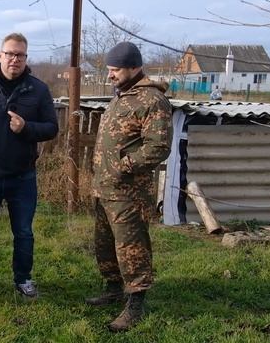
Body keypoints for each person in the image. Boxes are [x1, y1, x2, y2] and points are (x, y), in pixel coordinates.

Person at [0, 32, 59, 299]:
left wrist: (26, 127)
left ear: (26, 58)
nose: (15, 59)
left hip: (22, 177)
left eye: (21, 55)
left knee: (24, 232)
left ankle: (23, 278)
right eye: (10, 53)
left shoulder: (38, 89)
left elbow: (52, 128)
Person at [87, 41, 172, 331]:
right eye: (109, 69)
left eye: (115, 70)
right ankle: (113, 288)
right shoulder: (122, 95)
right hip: (105, 188)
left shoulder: (152, 100)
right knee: (105, 244)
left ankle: (135, 304)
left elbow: (158, 147)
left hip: (128, 192)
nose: (110, 75)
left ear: (134, 68)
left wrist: (122, 167)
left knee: (131, 246)